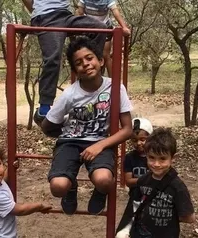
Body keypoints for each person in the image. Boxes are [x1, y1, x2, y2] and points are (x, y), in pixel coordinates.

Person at [40, 36, 133, 215]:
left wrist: (100, 145)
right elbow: (47, 126)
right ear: (75, 69)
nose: (86, 64)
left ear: (100, 60)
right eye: (79, 62)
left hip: (100, 141)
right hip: (70, 142)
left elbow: (128, 129)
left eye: (89, 58)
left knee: (104, 180)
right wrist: (62, 130)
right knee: (58, 187)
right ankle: (71, 187)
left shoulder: (115, 88)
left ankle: (99, 192)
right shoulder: (70, 94)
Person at [20, 0, 108, 124]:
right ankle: (44, 107)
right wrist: (37, 11)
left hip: (66, 16)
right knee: (53, 58)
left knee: (100, 28)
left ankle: (89, 81)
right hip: (46, 16)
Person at [129, 128, 196, 238]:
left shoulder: (177, 187)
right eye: (151, 158)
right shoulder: (143, 180)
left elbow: (189, 217)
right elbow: (136, 204)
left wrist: (169, 217)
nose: (156, 164)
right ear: (146, 155)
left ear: (172, 158)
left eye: (162, 159)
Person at [116, 117, 153, 238]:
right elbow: (128, 181)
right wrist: (147, 179)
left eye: (143, 139)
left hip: (154, 201)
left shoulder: (155, 157)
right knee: (121, 235)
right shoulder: (130, 158)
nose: (138, 143)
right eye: (134, 140)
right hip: (135, 200)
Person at [76, 0, 131, 77]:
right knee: (85, 53)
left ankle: (112, 82)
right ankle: (83, 80)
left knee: (105, 55)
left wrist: (124, 27)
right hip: (89, 27)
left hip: (105, 27)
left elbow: (115, 12)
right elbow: (80, 12)